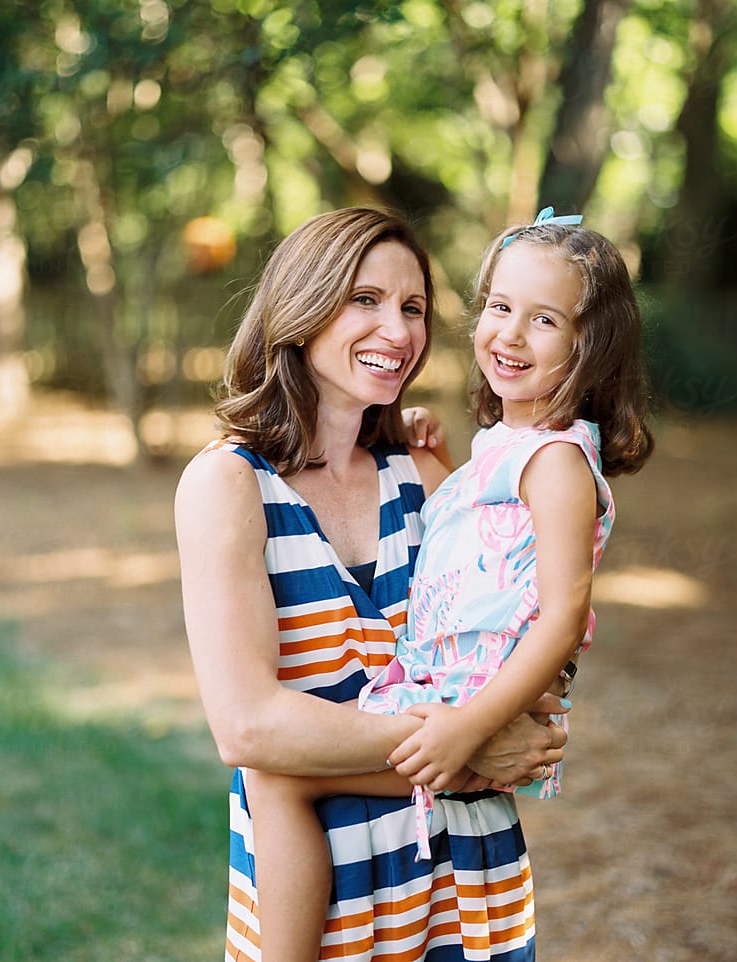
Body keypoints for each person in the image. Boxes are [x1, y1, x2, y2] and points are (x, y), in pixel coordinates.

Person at [240, 207, 655, 961]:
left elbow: (562, 617)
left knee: (276, 781)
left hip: (463, 697)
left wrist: (469, 729)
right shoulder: (503, 452)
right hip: (449, 696)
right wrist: (435, 457)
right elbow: (458, 546)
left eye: (545, 321)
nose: (511, 334)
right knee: (276, 771)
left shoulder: (559, 463)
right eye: (499, 308)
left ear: (589, 349)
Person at [174, 207, 570, 962]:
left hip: (466, 886)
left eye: (413, 307)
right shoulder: (228, 486)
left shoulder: (425, 478)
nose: (397, 329)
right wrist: (476, 747)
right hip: (328, 911)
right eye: (365, 299)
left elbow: (520, 633)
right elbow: (250, 731)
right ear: (301, 307)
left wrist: (504, 719)